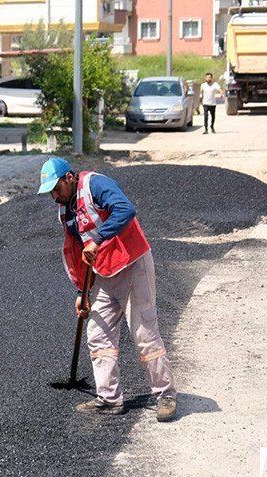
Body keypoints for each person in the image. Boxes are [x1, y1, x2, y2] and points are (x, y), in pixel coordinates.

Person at [38, 158, 178, 422]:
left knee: (144, 332)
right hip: (104, 272)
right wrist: (82, 291)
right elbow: (76, 252)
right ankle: (110, 398)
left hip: (132, 262)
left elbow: (125, 209)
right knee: (98, 333)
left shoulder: (95, 184)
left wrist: (99, 238)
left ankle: (165, 395)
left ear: (69, 177)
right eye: (50, 192)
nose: (55, 196)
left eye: (56, 188)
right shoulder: (65, 212)